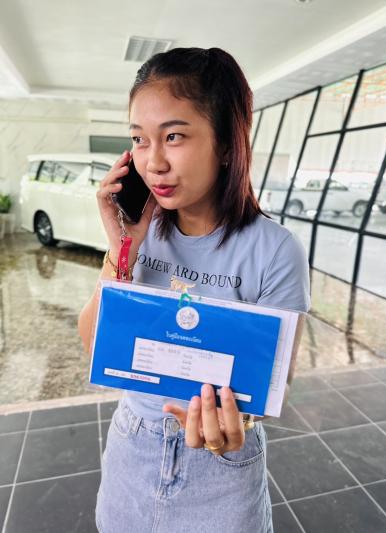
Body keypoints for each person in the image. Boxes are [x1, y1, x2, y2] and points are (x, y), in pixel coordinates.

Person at [78, 47, 310, 533]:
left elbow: (274, 384)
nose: (153, 162)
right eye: (139, 139)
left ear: (226, 142)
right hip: (133, 446)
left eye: (174, 136)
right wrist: (122, 250)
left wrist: (238, 423)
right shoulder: (141, 230)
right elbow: (94, 344)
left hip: (221, 468)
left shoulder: (274, 250)